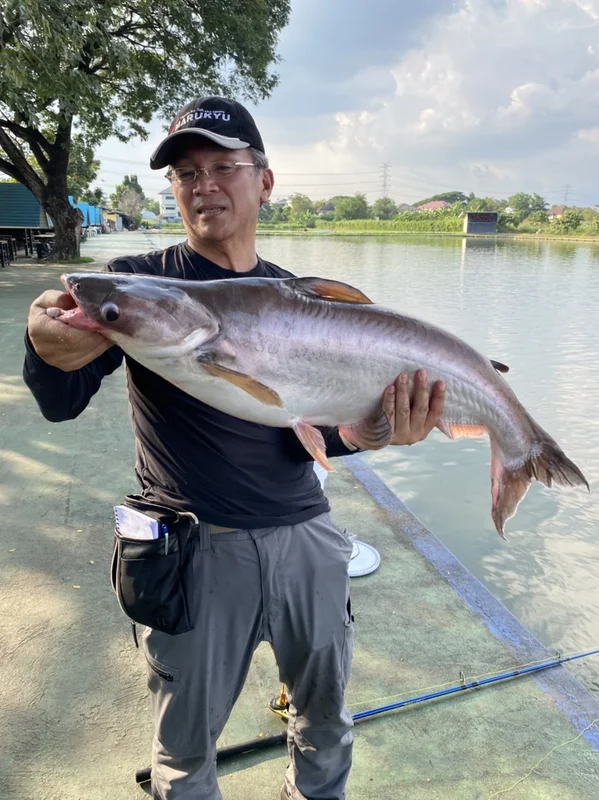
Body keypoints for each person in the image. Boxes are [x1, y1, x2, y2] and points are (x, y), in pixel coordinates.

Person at [23, 96, 445, 800]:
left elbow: (317, 434)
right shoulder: (140, 288)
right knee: (186, 752)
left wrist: (371, 432)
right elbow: (59, 400)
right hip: (194, 549)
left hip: (305, 538)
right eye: (186, 173)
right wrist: (43, 349)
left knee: (324, 723)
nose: (204, 185)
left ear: (265, 181)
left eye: (223, 167)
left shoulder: (296, 299)